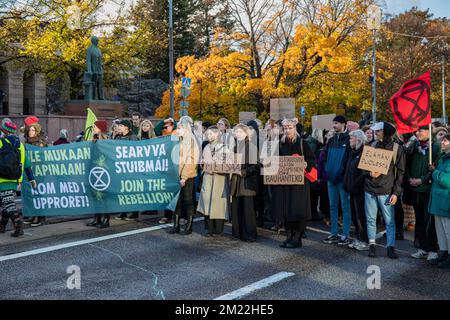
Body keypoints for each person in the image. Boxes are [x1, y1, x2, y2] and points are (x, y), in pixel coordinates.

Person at [271, 118, 316, 248]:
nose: (287, 130)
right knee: (286, 210)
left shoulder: (302, 143)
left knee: (298, 210)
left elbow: (312, 160)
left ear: (295, 128)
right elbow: (272, 160)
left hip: (299, 184)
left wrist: (305, 164)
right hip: (284, 182)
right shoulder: (279, 143)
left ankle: (297, 238)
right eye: (285, 128)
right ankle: (289, 236)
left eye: (290, 128)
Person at [364, 122, 405, 259]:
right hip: (370, 189)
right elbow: (363, 167)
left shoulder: (397, 149)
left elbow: (400, 173)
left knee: (389, 220)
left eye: (379, 131)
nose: (376, 133)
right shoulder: (372, 145)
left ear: (386, 132)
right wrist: (369, 173)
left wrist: (396, 193)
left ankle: (390, 247)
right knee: (370, 219)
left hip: (387, 190)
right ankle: (372, 245)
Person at [404, 126, 440, 261]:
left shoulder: (436, 147)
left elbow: (436, 167)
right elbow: (406, 163)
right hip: (414, 188)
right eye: (416, 131)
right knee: (419, 220)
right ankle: (422, 247)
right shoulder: (414, 145)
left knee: (429, 221)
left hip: (427, 189)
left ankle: (433, 249)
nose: (417, 133)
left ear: (429, 131)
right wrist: (409, 179)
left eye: (420, 131)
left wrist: (422, 180)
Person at [0, 121, 37, 237]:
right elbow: (26, 164)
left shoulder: (1, 142)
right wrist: (32, 179)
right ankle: (2, 226)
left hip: (2, 179)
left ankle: (18, 225)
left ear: (4, 130)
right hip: (16, 180)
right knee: (7, 202)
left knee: (9, 204)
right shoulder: (20, 145)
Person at [322, 116, 352, 246]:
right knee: (333, 207)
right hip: (331, 179)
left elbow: (349, 161)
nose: (334, 125)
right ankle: (333, 233)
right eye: (333, 123)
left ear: (344, 124)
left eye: (337, 123)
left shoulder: (349, 139)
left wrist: (343, 175)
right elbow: (325, 158)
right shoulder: (331, 140)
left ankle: (345, 234)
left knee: (345, 207)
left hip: (342, 180)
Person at [168, 116, 200, 235]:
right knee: (176, 201)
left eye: (180, 127)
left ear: (186, 128)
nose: (178, 129)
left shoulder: (191, 141)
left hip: (187, 176)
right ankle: (175, 225)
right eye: (178, 127)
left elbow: (191, 160)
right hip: (175, 175)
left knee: (188, 200)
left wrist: (184, 177)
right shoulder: (175, 140)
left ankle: (189, 225)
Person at [197, 126, 230, 236]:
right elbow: (203, 162)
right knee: (207, 203)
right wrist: (202, 163)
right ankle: (209, 228)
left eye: (211, 134)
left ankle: (218, 229)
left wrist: (217, 167)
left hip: (219, 179)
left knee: (217, 204)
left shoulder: (224, 148)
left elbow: (228, 164)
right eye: (207, 134)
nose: (209, 136)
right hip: (208, 178)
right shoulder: (206, 147)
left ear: (217, 134)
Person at [230, 124, 258, 242]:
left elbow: (256, 166)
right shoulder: (235, 147)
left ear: (246, 133)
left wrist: (243, 172)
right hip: (236, 182)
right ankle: (238, 233)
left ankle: (249, 234)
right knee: (237, 208)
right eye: (236, 132)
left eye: (240, 132)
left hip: (246, 182)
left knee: (247, 209)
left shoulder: (251, 147)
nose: (238, 134)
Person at [343, 130, 369, 251]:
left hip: (360, 190)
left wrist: (353, 185)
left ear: (358, 139)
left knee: (361, 216)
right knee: (355, 215)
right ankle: (359, 237)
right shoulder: (353, 152)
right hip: (352, 189)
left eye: (351, 138)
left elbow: (364, 174)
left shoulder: (364, 152)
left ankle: (365, 240)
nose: (349, 140)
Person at [429, 133, 450, 268]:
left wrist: (435, 172)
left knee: (448, 231)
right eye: (442, 140)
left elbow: (447, 181)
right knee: (441, 231)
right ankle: (443, 253)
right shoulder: (443, 158)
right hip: (438, 200)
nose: (442, 143)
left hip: (446, 201)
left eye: (446, 141)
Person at [23, 121, 48, 227]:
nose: (30, 132)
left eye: (33, 130)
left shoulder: (41, 143)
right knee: (30, 195)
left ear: (37, 132)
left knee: (38, 195)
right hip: (29, 172)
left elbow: (45, 158)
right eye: (29, 130)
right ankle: (33, 215)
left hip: (39, 173)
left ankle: (41, 217)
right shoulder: (27, 142)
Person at [86, 120, 110, 228]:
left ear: (100, 128)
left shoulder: (106, 142)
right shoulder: (94, 140)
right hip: (94, 170)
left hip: (104, 172)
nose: (93, 128)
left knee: (104, 196)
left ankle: (106, 219)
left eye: (95, 126)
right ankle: (97, 218)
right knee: (95, 196)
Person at [114, 119, 139, 221]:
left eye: (121, 125)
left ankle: (134, 213)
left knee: (131, 190)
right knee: (121, 190)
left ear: (127, 127)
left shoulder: (133, 138)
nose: (119, 127)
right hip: (120, 168)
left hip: (130, 168)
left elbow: (136, 152)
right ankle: (123, 212)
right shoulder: (118, 137)